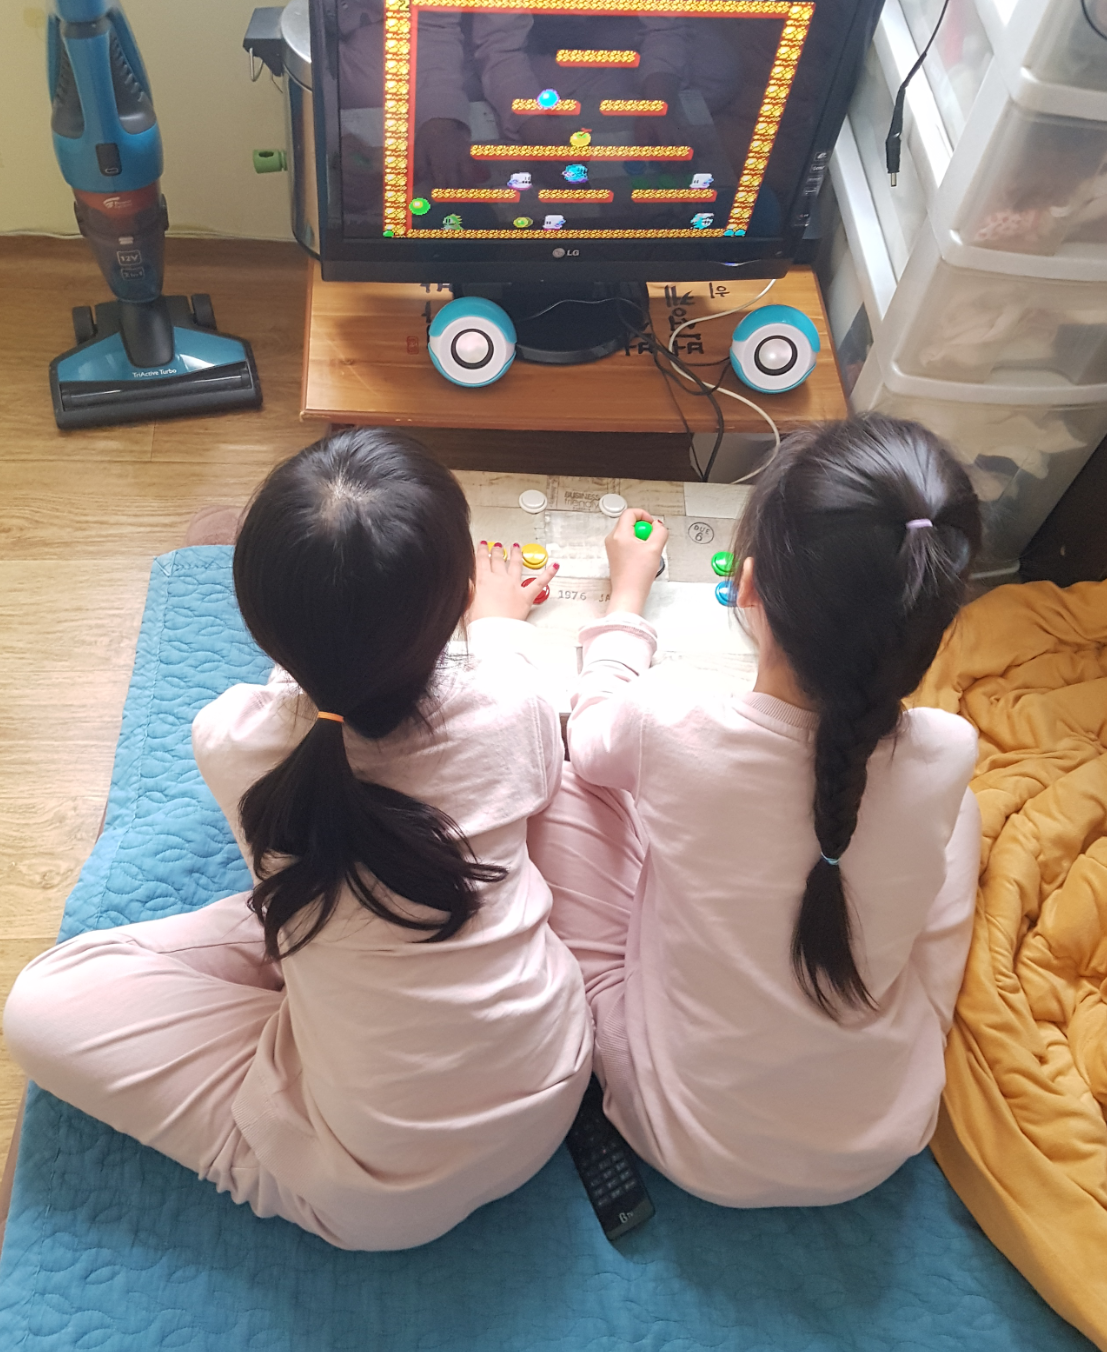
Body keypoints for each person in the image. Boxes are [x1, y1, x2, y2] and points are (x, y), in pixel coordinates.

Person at [4, 430, 592, 1249]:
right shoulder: (515, 709)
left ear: (256, 627)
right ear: (459, 597)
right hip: (551, 1084)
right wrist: (495, 623)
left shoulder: (230, 740)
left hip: (380, 1194)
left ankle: (305, 1011)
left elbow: (309, 690)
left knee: (40, 1001)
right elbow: (509, 678)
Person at [528, 413, 984, 1207]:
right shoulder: (948, 747)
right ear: (933, 630)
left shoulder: (669, 721)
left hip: (683, 1134)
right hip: (880, 1136)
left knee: (563, 787)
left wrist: (627, 597)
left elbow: (590, 734)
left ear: (746, 588)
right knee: (960, 814)